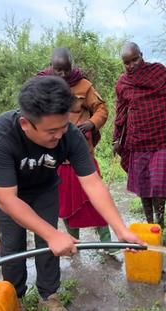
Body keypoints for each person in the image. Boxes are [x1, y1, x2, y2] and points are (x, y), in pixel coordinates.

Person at [0, 76, 143, 311]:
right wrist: (52, 234)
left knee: (49, 245)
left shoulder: (70, 135)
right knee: (13, 247)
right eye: (51, 131)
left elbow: (92, 183)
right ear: (26, 124)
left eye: (64, 127)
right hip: (10, 196)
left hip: (45, 190)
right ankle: (16, 298)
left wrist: (121, 230)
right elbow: (7, 199)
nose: (59, 136)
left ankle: (49, 295)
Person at [37, 48, 112, 247]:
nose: (62, 75)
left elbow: (102, 108)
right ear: (51, 66)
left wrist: (92, 123)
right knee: (66, 203)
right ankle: (75, 245)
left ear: (72, 66)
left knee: (97, 200)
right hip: (57, 155)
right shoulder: (43, 84)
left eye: (66, 70)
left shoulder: (84, 85)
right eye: (58, 69)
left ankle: (108, 247)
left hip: (82, 153)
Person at [114, 42, 166, 228]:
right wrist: (117, 138)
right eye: (127, 62)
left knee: (158, 184)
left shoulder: (159, 72)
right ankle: (150, 223)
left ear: (142, 55)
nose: (132, 65)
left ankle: (160, 222)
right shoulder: (123, 83)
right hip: (138, 140)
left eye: (135, 59)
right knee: (144, 186)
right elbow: (121, 111)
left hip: (161, 138)